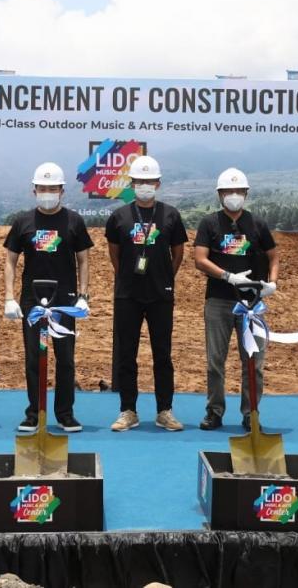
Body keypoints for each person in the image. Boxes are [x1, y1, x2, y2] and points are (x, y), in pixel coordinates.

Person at [4, 162, 93, 433]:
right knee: (34, 358)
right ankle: (34, 413)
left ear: (62, 191)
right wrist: (9, 297)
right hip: (32, 301)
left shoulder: (74, 221)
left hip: (64, 300)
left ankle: (65, 414)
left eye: (53, 188)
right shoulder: (23, 222)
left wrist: (83, 295)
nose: (48, 193)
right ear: (34, 191)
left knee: (65, 359)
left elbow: (83, 260)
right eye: (43, 188)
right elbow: (10, 261)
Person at [105, 155, 187, 432]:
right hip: (127, 295)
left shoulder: (170, 215)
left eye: (149, 181)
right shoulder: (119, 216)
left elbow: (178, 253)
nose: (144, 186)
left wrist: (165, 277)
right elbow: (114, 253)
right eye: (140, 181)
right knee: (127, 354)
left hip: (161, 295)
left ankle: (165, 411)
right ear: (132, 184)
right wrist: (126, 277)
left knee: (162, 355)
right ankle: (128, 410)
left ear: (158, 184)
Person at [193, 168, 279, 431]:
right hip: (218, 301)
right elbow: (200, 259)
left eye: (238, 191)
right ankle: (214, 411)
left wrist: (272, 283)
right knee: (215, 362)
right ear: (220, 195)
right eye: (228, 191)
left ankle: (250, 413)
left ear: (246, 194)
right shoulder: (209, 223)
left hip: (251, 305)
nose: (233, 195)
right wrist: (227, 276)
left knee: (253, 362)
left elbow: (274, 256)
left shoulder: (257, 224)